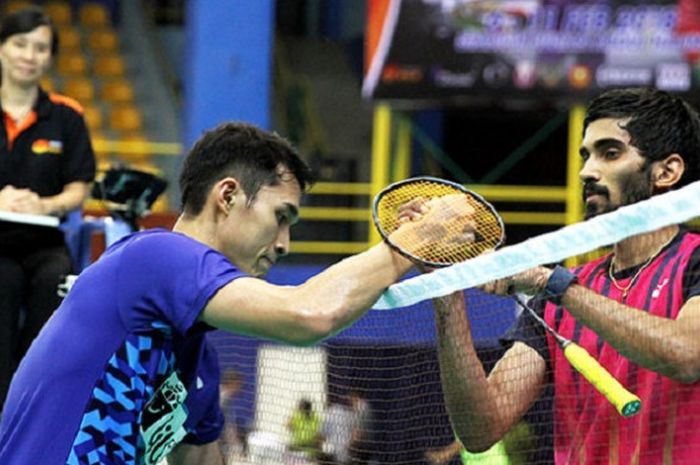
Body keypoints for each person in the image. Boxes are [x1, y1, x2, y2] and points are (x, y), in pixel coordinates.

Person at [0, 121, 475, 464]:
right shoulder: (154, 257)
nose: (285, 244)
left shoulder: (196, 367)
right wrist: (410, 244)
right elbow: (308, 313)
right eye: (280, 217)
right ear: (226, 196)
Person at [431, 87, 700, 465]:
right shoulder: (563, 294)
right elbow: (481, 428)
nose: (586, 172)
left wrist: (552, 284)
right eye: (586, 156)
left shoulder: (693, 262)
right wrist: (446, 290)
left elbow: (686, 355)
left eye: (610, 153)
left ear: (667, 171)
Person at [0, 6, 95, 411]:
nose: (28, 55)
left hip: (45, 242)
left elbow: (80, 188)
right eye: (20, 44)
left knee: (55, 280)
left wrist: (45, 202)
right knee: (2, 283)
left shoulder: (67, 116)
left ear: (49, 57)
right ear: (2, 48)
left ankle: (32, 403)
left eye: (40, 48)